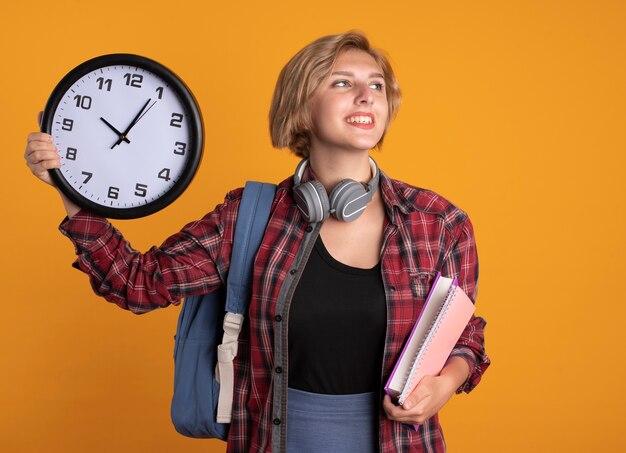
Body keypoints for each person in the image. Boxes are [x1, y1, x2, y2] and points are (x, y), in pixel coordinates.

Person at [24, 31, 489, 453]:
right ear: (301, 107)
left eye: (377, 85)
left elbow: (464, 331)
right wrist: (72, 195)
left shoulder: (439, 222)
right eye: (342, 83)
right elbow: (137, 283)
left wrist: (447, 382)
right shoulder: (249, 216)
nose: (367, 94)